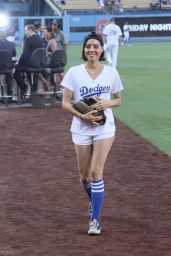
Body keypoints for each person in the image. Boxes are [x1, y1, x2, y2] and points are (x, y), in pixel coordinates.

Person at [61, 32, 123, 235]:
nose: (92, 50)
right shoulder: (74, 72)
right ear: (84, 50)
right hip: (81, 127)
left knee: (97, 172)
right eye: (88, 46)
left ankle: (94, 220)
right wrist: (82, 116)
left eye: (96, 46)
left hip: (105, 127)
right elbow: (65, 103)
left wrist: (107, 103)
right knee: (84, 177)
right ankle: (94, 201)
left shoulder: (111, 72)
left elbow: (118, 99)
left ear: (102, 49)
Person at [14, 24, 43, 95]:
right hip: (38, 65)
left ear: (30, 30)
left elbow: (25, 54)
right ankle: (34, 92)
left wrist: (18, 63)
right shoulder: (40, 40)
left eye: (25, 31)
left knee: (15, 70)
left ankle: (24, 88)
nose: (25, 33)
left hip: (29, 65)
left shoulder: (27, 40)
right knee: (31, 73)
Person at [0, 29, 16, 96]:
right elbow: (14, 55)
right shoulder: (12, 44)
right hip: (8, 67)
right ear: (6, 35)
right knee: (8, 72)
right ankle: (10, 93)